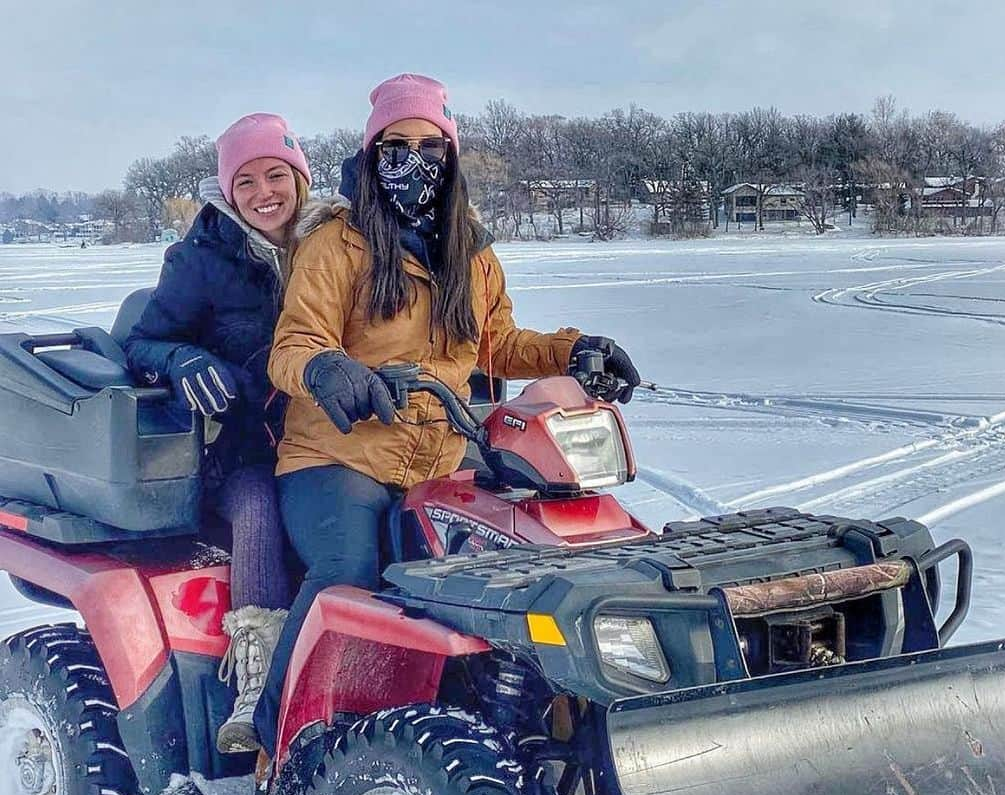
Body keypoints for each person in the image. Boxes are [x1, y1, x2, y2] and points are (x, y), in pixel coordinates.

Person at [253, 73, 640, 754]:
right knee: (348, 568)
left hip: (438, 456)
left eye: (430, 146)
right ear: (372, 155)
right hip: (336, 456)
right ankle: (279, 738)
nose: (414, 161)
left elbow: (500, 343)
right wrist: (328, 367)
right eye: (396, 146)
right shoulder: (337, 244)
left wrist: (577, 349)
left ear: (451, 155)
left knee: (520, 557)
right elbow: (293, 343)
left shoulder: (472, 253)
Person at [123, 113, 312, 754]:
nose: (265, 193)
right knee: (260, 508)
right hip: (236, 450)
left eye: (277, 175)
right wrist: (184, 360)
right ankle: (256, 679)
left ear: (299, 177)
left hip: (328, 436)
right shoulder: (201, 259)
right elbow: (142, 340)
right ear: (227, 192)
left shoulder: (332, 245)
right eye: (247, 180)